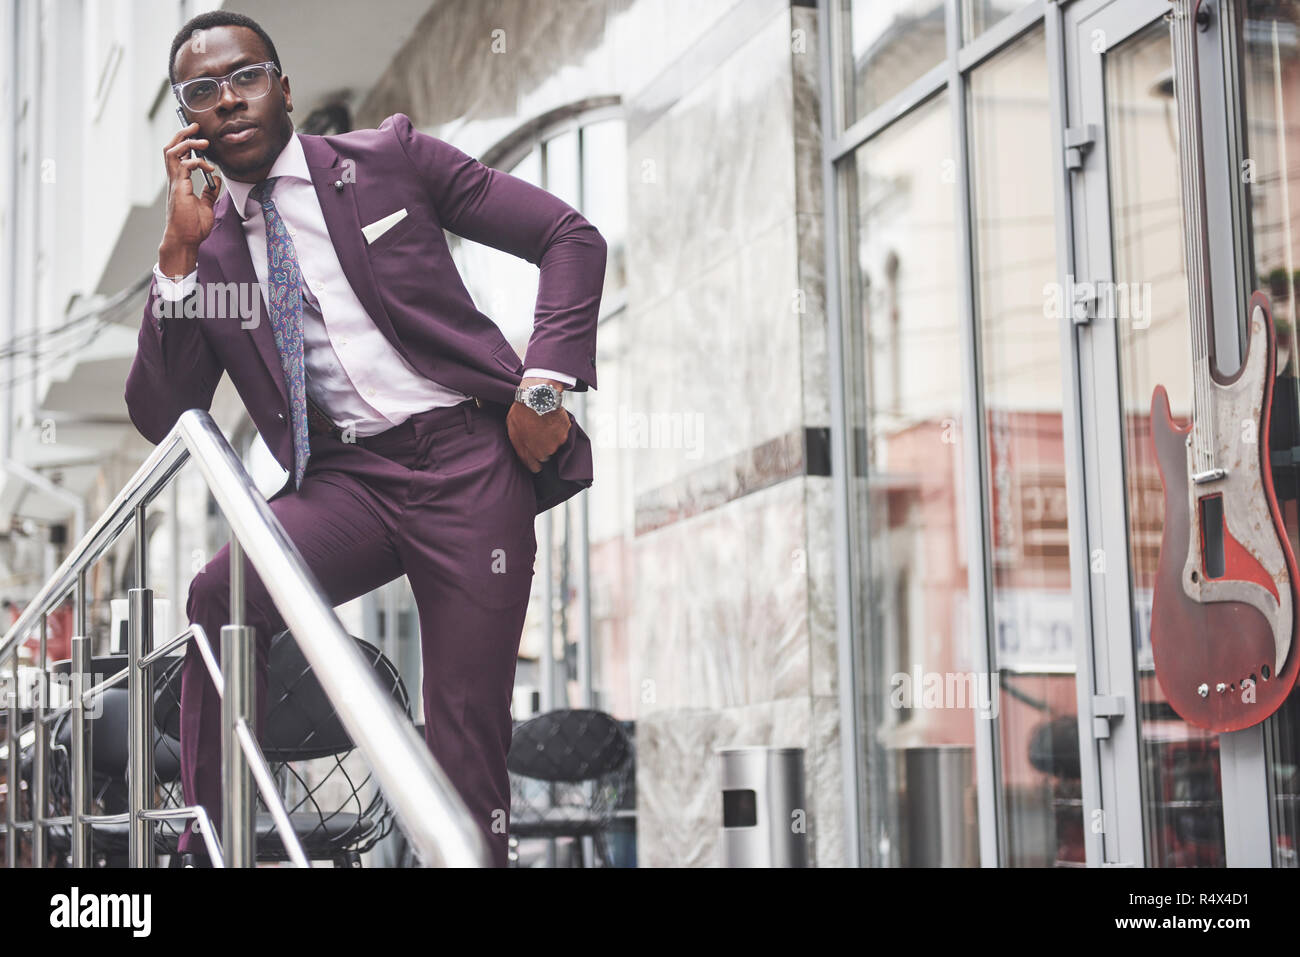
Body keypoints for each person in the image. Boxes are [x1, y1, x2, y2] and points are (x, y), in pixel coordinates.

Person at [124, 10, 606, 867]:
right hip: (346, 480)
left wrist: (544, 382)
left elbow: (568, 237)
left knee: (464, 729)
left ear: (283, 86)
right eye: (202, 91)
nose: (227, 99)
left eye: (245, 76)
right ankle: (209, 842)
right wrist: (177, 261)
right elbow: (166, 414)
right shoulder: (213, 251)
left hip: (468, 463)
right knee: (220, 593)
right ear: (185, 122)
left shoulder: (389, 161)